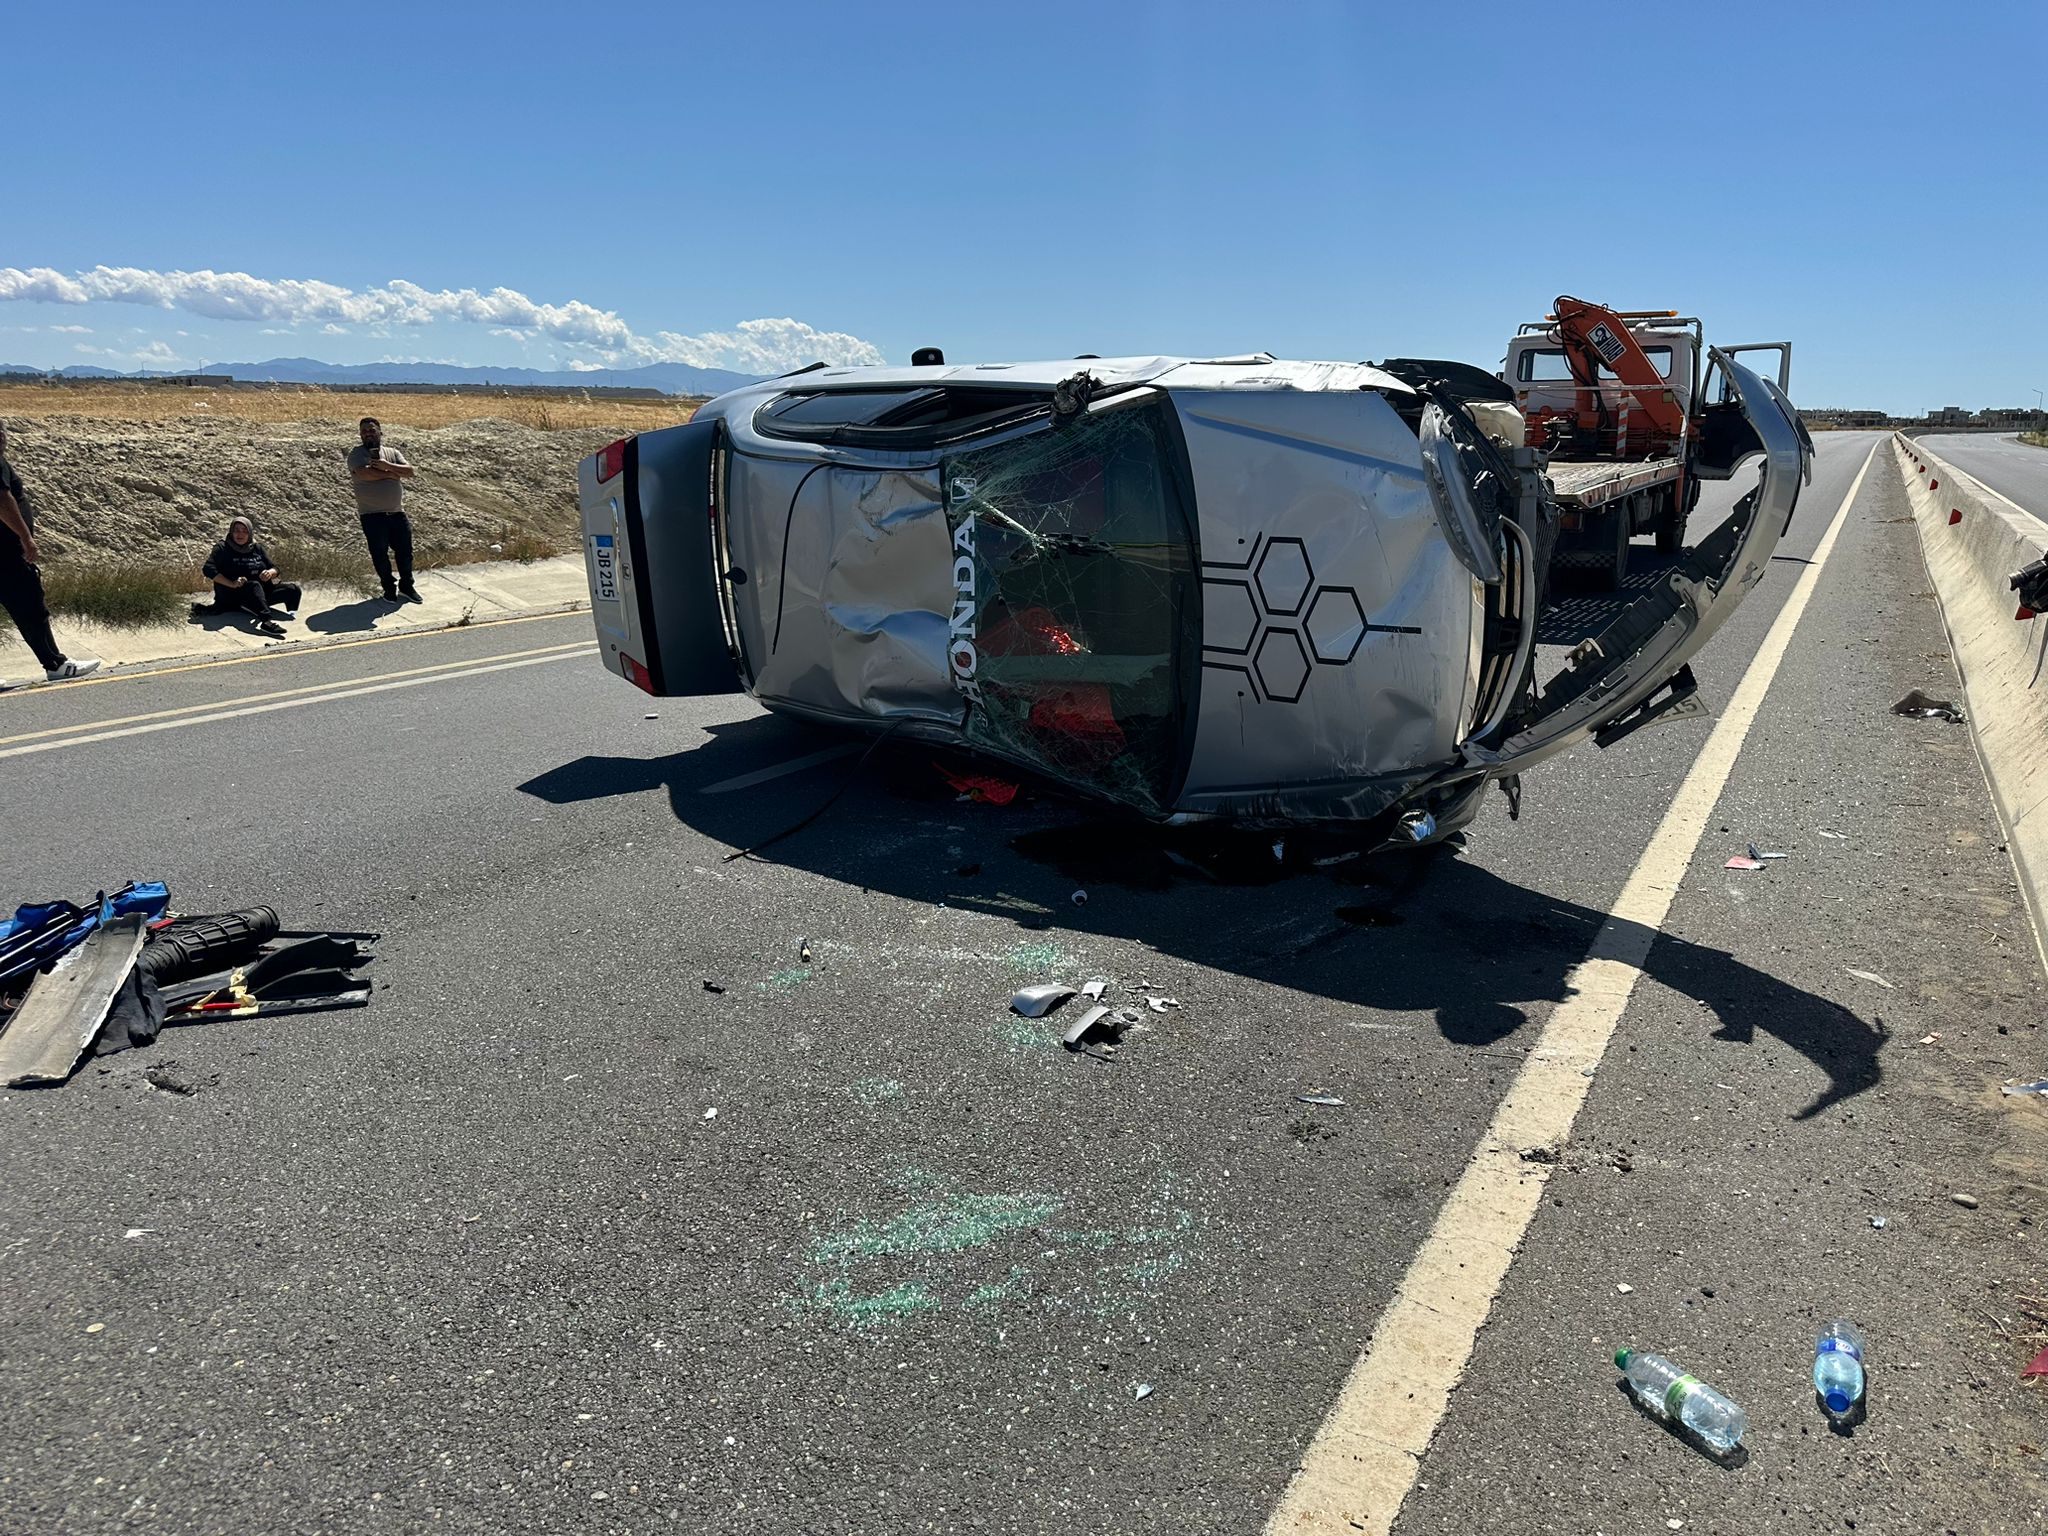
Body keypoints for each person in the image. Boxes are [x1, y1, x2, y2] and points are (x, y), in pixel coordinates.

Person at [0, 420, 101, 690]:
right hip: (6, 554)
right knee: (31, 608)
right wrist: (25, 538)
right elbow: (3, 501)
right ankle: (56, 665)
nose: (3, 438)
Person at [345, 417, 420, 603]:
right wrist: (394, 474)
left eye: (372, 430)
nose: (368, 434)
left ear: (380, 432)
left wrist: (387, 466)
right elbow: (365, 473)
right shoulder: (356, 454)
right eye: (364, 431)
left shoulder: (392, 452)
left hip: (397, 513)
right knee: (380, 555)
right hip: (372, 516)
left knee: (405, 553)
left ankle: (407, 586)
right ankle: (389, 589)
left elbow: (409, 471)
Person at [195, 515, 301, 638]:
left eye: (244, 531)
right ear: (231, 532)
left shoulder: (256, 548)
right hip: (234, 594)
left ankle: (288, 612)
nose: (240, 534)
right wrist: (232, 583)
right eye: (237, 530)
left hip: (259, 593)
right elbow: (208, 569)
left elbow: (275, 568)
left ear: (250, 533)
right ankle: (266, 621)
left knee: (293, 589)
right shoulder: (222, 548)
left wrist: (269, 573)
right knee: (254, 585)